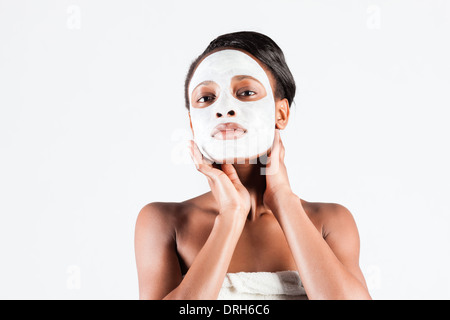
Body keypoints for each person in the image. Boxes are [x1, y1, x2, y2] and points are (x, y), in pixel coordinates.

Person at [134, 31, 371, 300]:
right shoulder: (165, 222)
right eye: (206, 98)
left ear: (280, 113)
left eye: (246, 92)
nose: (224, 109)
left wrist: (283, 199)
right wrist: (230, 217)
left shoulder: (330, 222)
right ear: (192, 121)